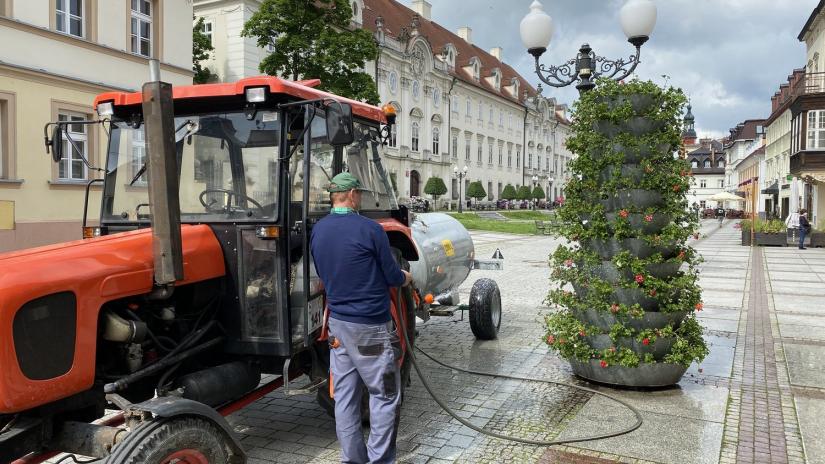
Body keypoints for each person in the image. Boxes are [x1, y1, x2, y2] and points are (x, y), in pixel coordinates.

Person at [310, 172, 413, 464]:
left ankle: (352, 460)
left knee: (344, 399)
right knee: (384, 396)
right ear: (353, 194)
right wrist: (406, 277)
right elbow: (392, 275)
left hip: (338, 328)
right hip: (371, 328)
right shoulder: (371, 230)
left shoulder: (318, 230)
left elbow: (323, 271)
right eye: (360, 194)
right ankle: (379, 461)